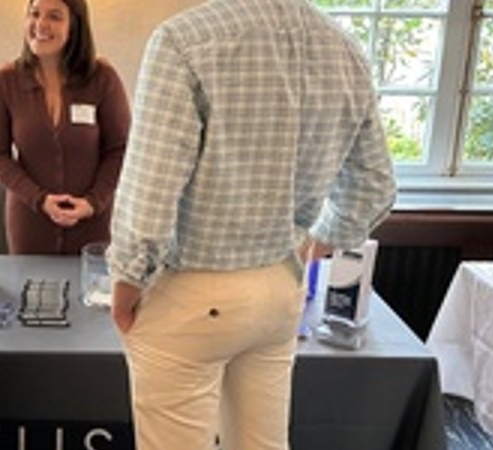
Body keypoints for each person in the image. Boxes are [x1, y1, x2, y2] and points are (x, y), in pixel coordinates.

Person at [106, 0, 397, 449]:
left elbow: (153, 184)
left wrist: (126, 279)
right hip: (279, 287)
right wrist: (318, 241)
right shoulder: (344, 49)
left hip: (191, 292)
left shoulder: (183, 39)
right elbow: (375, 185)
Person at [0, 0, 131, 255]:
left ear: (75, 25)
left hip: (93, 222)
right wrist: (40, 200)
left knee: (88, 291)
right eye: (34, 14)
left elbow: (120, 149)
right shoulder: (4, 82)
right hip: (29, 221)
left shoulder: (103, 78)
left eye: (54, 16)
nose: (41, 24)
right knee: (29, 291)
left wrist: (93, 203)